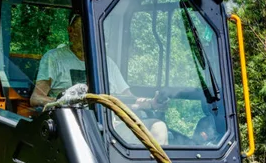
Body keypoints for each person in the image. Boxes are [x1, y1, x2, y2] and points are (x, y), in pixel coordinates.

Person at [30, 14, 169, 144]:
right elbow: (36, 98)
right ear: (70, 31)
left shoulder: (106, 63)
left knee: (159, 128)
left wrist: (151, 103)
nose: (86, 36)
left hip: (109, 128)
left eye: (90, 32)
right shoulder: (54, 58)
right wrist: (62, 102)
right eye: (81, 30)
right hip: (71, 128)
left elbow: (127, 101)